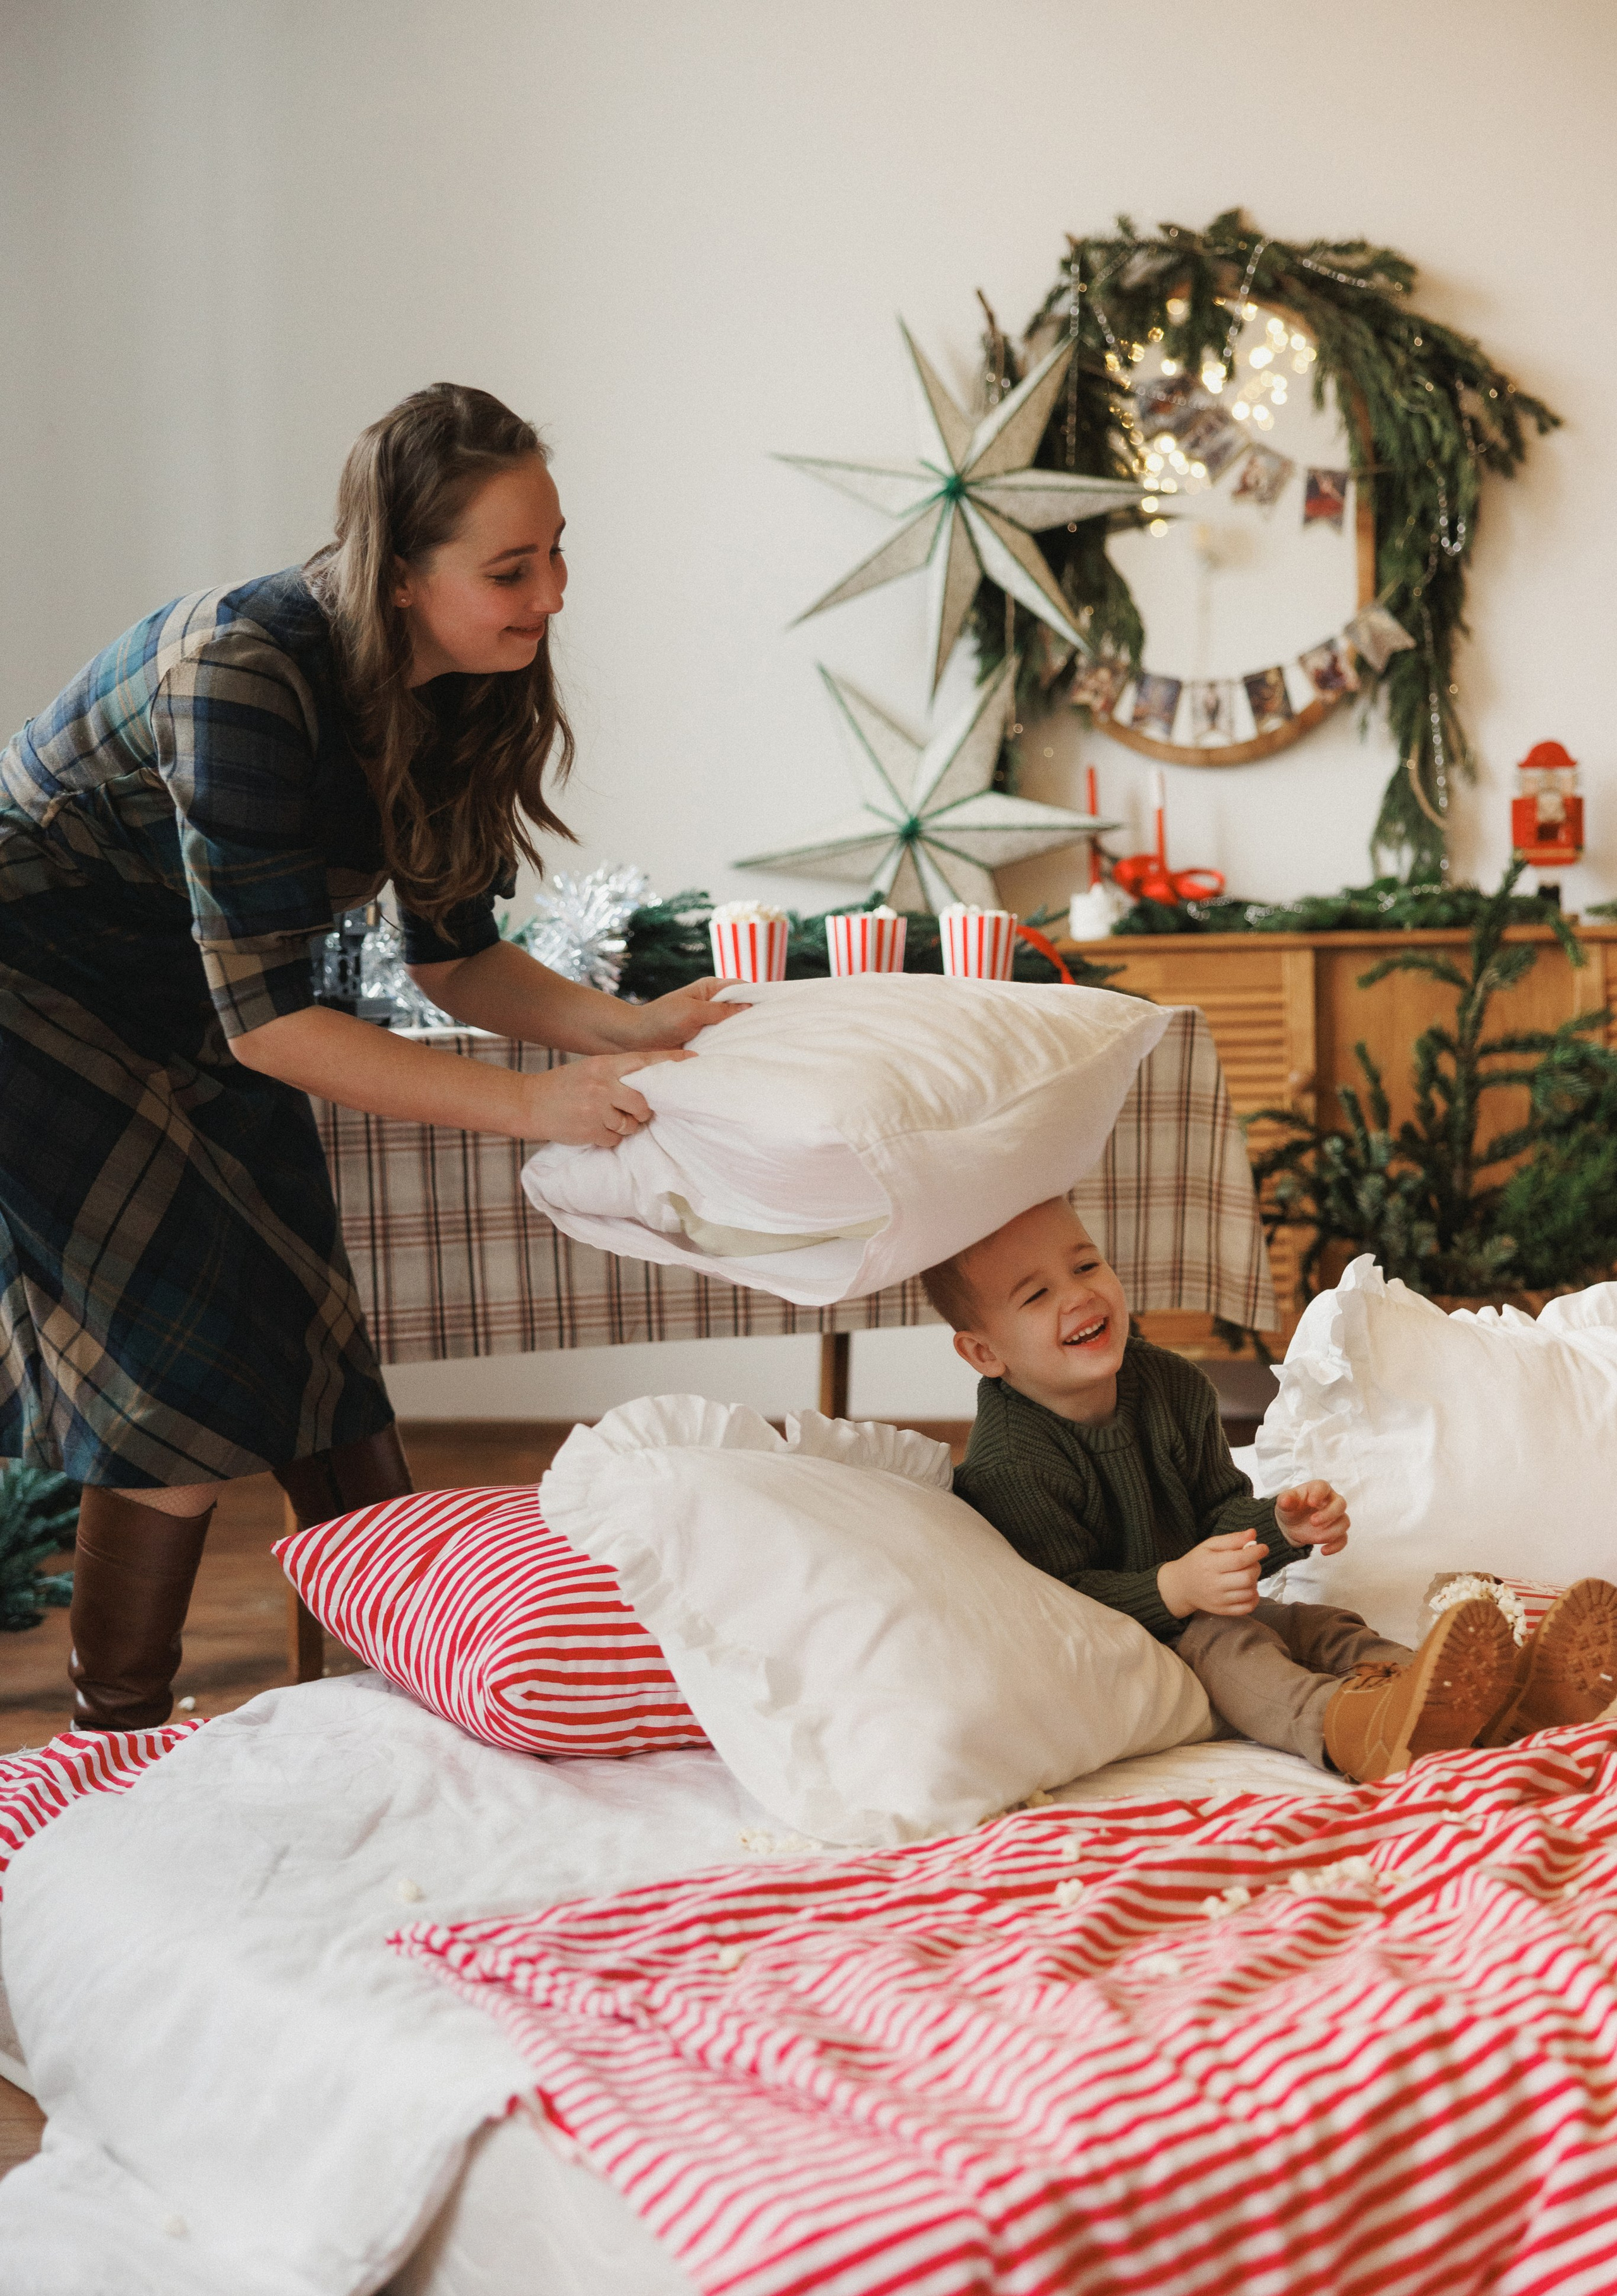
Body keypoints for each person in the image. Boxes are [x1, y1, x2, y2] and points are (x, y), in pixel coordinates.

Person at [0, 383, 739, 1730]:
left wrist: (625, 1025)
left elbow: (452, 956)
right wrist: (535, 1107)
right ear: (399, 573)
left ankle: (419, 1681)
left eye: (558, 550)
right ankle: (115, 1729)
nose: (553, 593)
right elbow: (277, 1025)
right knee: (181, 1342)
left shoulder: (462, 679)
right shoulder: (244, 664)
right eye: (511, 568)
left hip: (210, 982)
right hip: (28, 980)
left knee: (316, 1331)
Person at [923, 1196, 1616, 1782]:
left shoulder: (1168, 1385)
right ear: (985, 1352)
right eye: (1037, 1294)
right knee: (1229, 1647)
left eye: (1084, 1265)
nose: (1078, 1294)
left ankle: (1479, 1699)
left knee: (1324, 1625)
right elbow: (1054, 1599)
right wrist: (1174, 1589)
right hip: (1137, 1641)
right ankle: (1352, 1730)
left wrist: (1279, 1529)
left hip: (1214, 1604)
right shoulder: (1012, 1463)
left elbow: (1217, 1512)